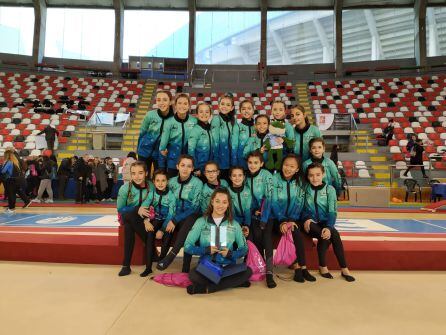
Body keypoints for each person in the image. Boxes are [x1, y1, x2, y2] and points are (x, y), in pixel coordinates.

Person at [184, 188, 251, 295]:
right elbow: (187, 246)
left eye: (224, 202)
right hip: (208, 267)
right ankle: (232, 283)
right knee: (193, 274)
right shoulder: (201, 222)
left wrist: (230, 253)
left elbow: (244, 249)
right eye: (217, 201)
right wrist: (206, 250)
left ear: (228, 204)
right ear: (212, 202)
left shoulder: (234, 224)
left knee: (248, 271)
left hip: (228, 267)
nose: (220, 205)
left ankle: (207, 289)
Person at [301, 162, 355, 282]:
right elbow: (302, 208)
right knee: (328, 234)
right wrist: (306, 219)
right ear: (307, 176)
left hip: (324, 223)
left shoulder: (330, 190)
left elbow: (332, 211)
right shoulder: (305, 188)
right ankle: (325, 266)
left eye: (317, 175)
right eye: (311, 175)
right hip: (309, 223)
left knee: (332, 234)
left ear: (323, 174)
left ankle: (343, 268)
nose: (314, 178)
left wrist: (329, 227)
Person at [272, 154, 316, 283]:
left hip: (293, 218)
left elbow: (299, 203)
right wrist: (282, 221)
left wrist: (291, 220)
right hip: (276, 219)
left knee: (295, 230)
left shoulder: (300, 182)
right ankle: (298, 267)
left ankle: (302, 268)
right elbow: (273, 201)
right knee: (292, 229)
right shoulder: (274, 179)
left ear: (297, 169)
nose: (288, 168)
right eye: (286, 165)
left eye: (292, 166)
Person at [156, 155, 203, 273]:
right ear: (177, 166)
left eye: (189, 166)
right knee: (168, 227)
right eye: (182, 165)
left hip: (192, 215)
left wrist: (175, 220)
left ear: (192, 168)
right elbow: (168, 201)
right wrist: (170, 219)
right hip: (174, 214)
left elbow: (195, 207)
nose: (185, 169)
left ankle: (180, 263)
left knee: (187, 226)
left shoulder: (197, 183)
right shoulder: (171, 182)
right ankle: (162, 258)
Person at [117, 162, 158, 277]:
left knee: (129, 227)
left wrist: (146, 218)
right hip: (127, 215)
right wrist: (136, 209)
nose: (137, 176)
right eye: (133, 173)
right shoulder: (125, 189)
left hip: (144, 218)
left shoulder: (151, 186)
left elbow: (154, 204)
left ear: (146, 173)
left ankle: (126, 265)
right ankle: (152, 250)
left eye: (140, 173)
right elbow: (120, 209)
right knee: (129, 220)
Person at [245, 150, 275, 288]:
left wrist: (263, 218)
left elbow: (269, 198)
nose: (252, 165)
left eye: (256, 163)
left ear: (261, 164)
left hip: (268, 215)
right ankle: (258, 265)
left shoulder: (267, 175)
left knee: (266, 236)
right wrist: (253, 211)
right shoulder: (245, 177)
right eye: (250, 162)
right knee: (256, 236)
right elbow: (246, 199)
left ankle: (269, 272)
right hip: (253, 215)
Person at [159, 94, 197, 178]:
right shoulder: (169, 122)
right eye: (179, 103)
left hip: (189, 163)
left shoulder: (194, 121)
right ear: (175, 105)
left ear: (189, 106)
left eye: (185, 103)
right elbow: (162, 147)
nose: (182, 106)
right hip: (173, 162)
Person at [137, 90, 173, 178]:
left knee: (159, 178)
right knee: (143, 178)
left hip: (161, 154)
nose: (161, 102)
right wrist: (138, 150)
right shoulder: (150, 115)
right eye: (159, 100)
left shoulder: (174, 119)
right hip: (144, 152)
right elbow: (142, 133)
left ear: (170, 101)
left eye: (165, 100)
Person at [211, 93, 239, 180]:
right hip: (219, 161)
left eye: (228, 105)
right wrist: (215, 162)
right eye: (222, 104)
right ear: (218, 105)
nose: (224, 106)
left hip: (231, 161)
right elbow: (214, 141)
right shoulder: (216, 119)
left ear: (232, 108)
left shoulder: (233, 121)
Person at [150, 170, 177, 260]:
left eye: (163, 180)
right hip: (156, 218)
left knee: (168, 234)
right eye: (157, 180)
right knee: (149, 232)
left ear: (167, 181)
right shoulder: (152, 193)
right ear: (154, 182)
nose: (160, 183)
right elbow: (146, 203)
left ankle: (162, 257)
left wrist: (162, 229)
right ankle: (153, 254)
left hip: (168, 219)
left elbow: (171, 213)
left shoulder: (171, 196)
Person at [188, 102, 217, 176]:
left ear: (210, 114)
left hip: (210, 168)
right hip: (199, 169)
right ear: (197, 114)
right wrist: (195, 168)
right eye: (201, 112)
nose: (204, 114)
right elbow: (191, 150)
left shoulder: (211, 129)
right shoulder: (195, 130)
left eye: (207, 112)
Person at [227, 166, 252, 235]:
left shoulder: (247, 190)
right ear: (230, 177)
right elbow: (231, 211)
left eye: (240, 175)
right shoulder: (227, 192)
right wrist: (239, 226)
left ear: (244, 177)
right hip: (233, 221)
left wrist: (246, 225)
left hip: (248, 220)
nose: (237, 178)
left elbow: (247, 209)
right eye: (234, 176)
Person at [237, 100, 256, 169]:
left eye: (249, 108)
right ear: (240, 111)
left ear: (253, 110)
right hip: (240, 162)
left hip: (255, 163)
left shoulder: (258, 127)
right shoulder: (237, 127)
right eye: (243, 109)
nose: (246, 111)